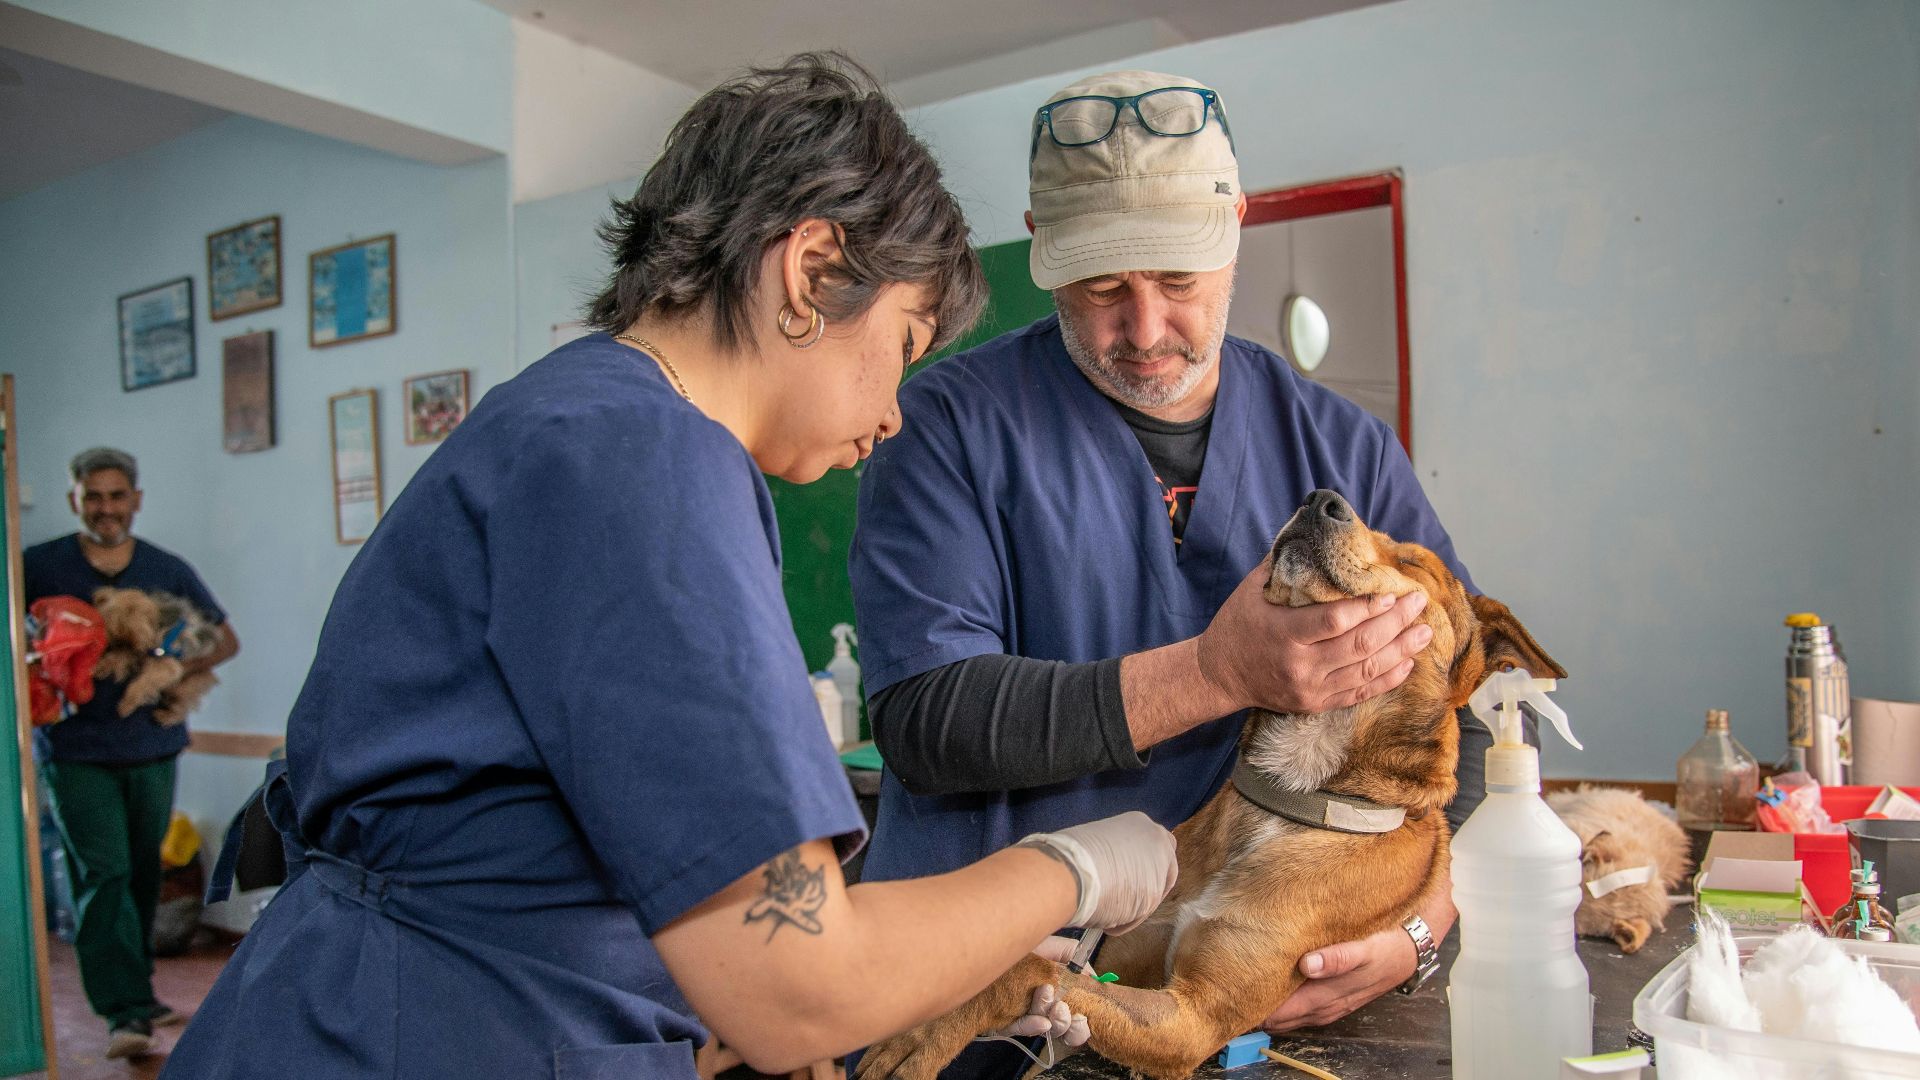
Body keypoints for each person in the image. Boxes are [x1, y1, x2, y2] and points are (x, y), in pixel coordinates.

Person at [161, 56, 1178, 1080]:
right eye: (905, 344)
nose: (893, 413)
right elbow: (800, 989)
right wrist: (1071, 868)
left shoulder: (569, 419)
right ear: (814, 268)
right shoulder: (648, 458)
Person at [850, 70, 1516, 1075]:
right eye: (1103, 286)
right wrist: (1218, 674)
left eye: (1178, 280)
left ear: (1237, 229)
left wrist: (1420, 924)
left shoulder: (1342, 450)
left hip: (1242, 1028)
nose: (1147, 327)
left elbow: (1454, 716)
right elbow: (925, 720)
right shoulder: (945, 428)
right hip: (971, 1016)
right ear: (1040, 241)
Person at [24, 447, 240, 1059]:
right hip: (73, 749)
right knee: (104, 872)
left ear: (136, 500)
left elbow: (225, 640)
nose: (106, 508)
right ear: (75, 501)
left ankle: (139, 995)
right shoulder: (39, 566)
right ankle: (122, 1013)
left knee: (144, 872)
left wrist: (173, 667)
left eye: (117, 496)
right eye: (94, 496)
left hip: (152, 746)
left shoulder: (165, 568)